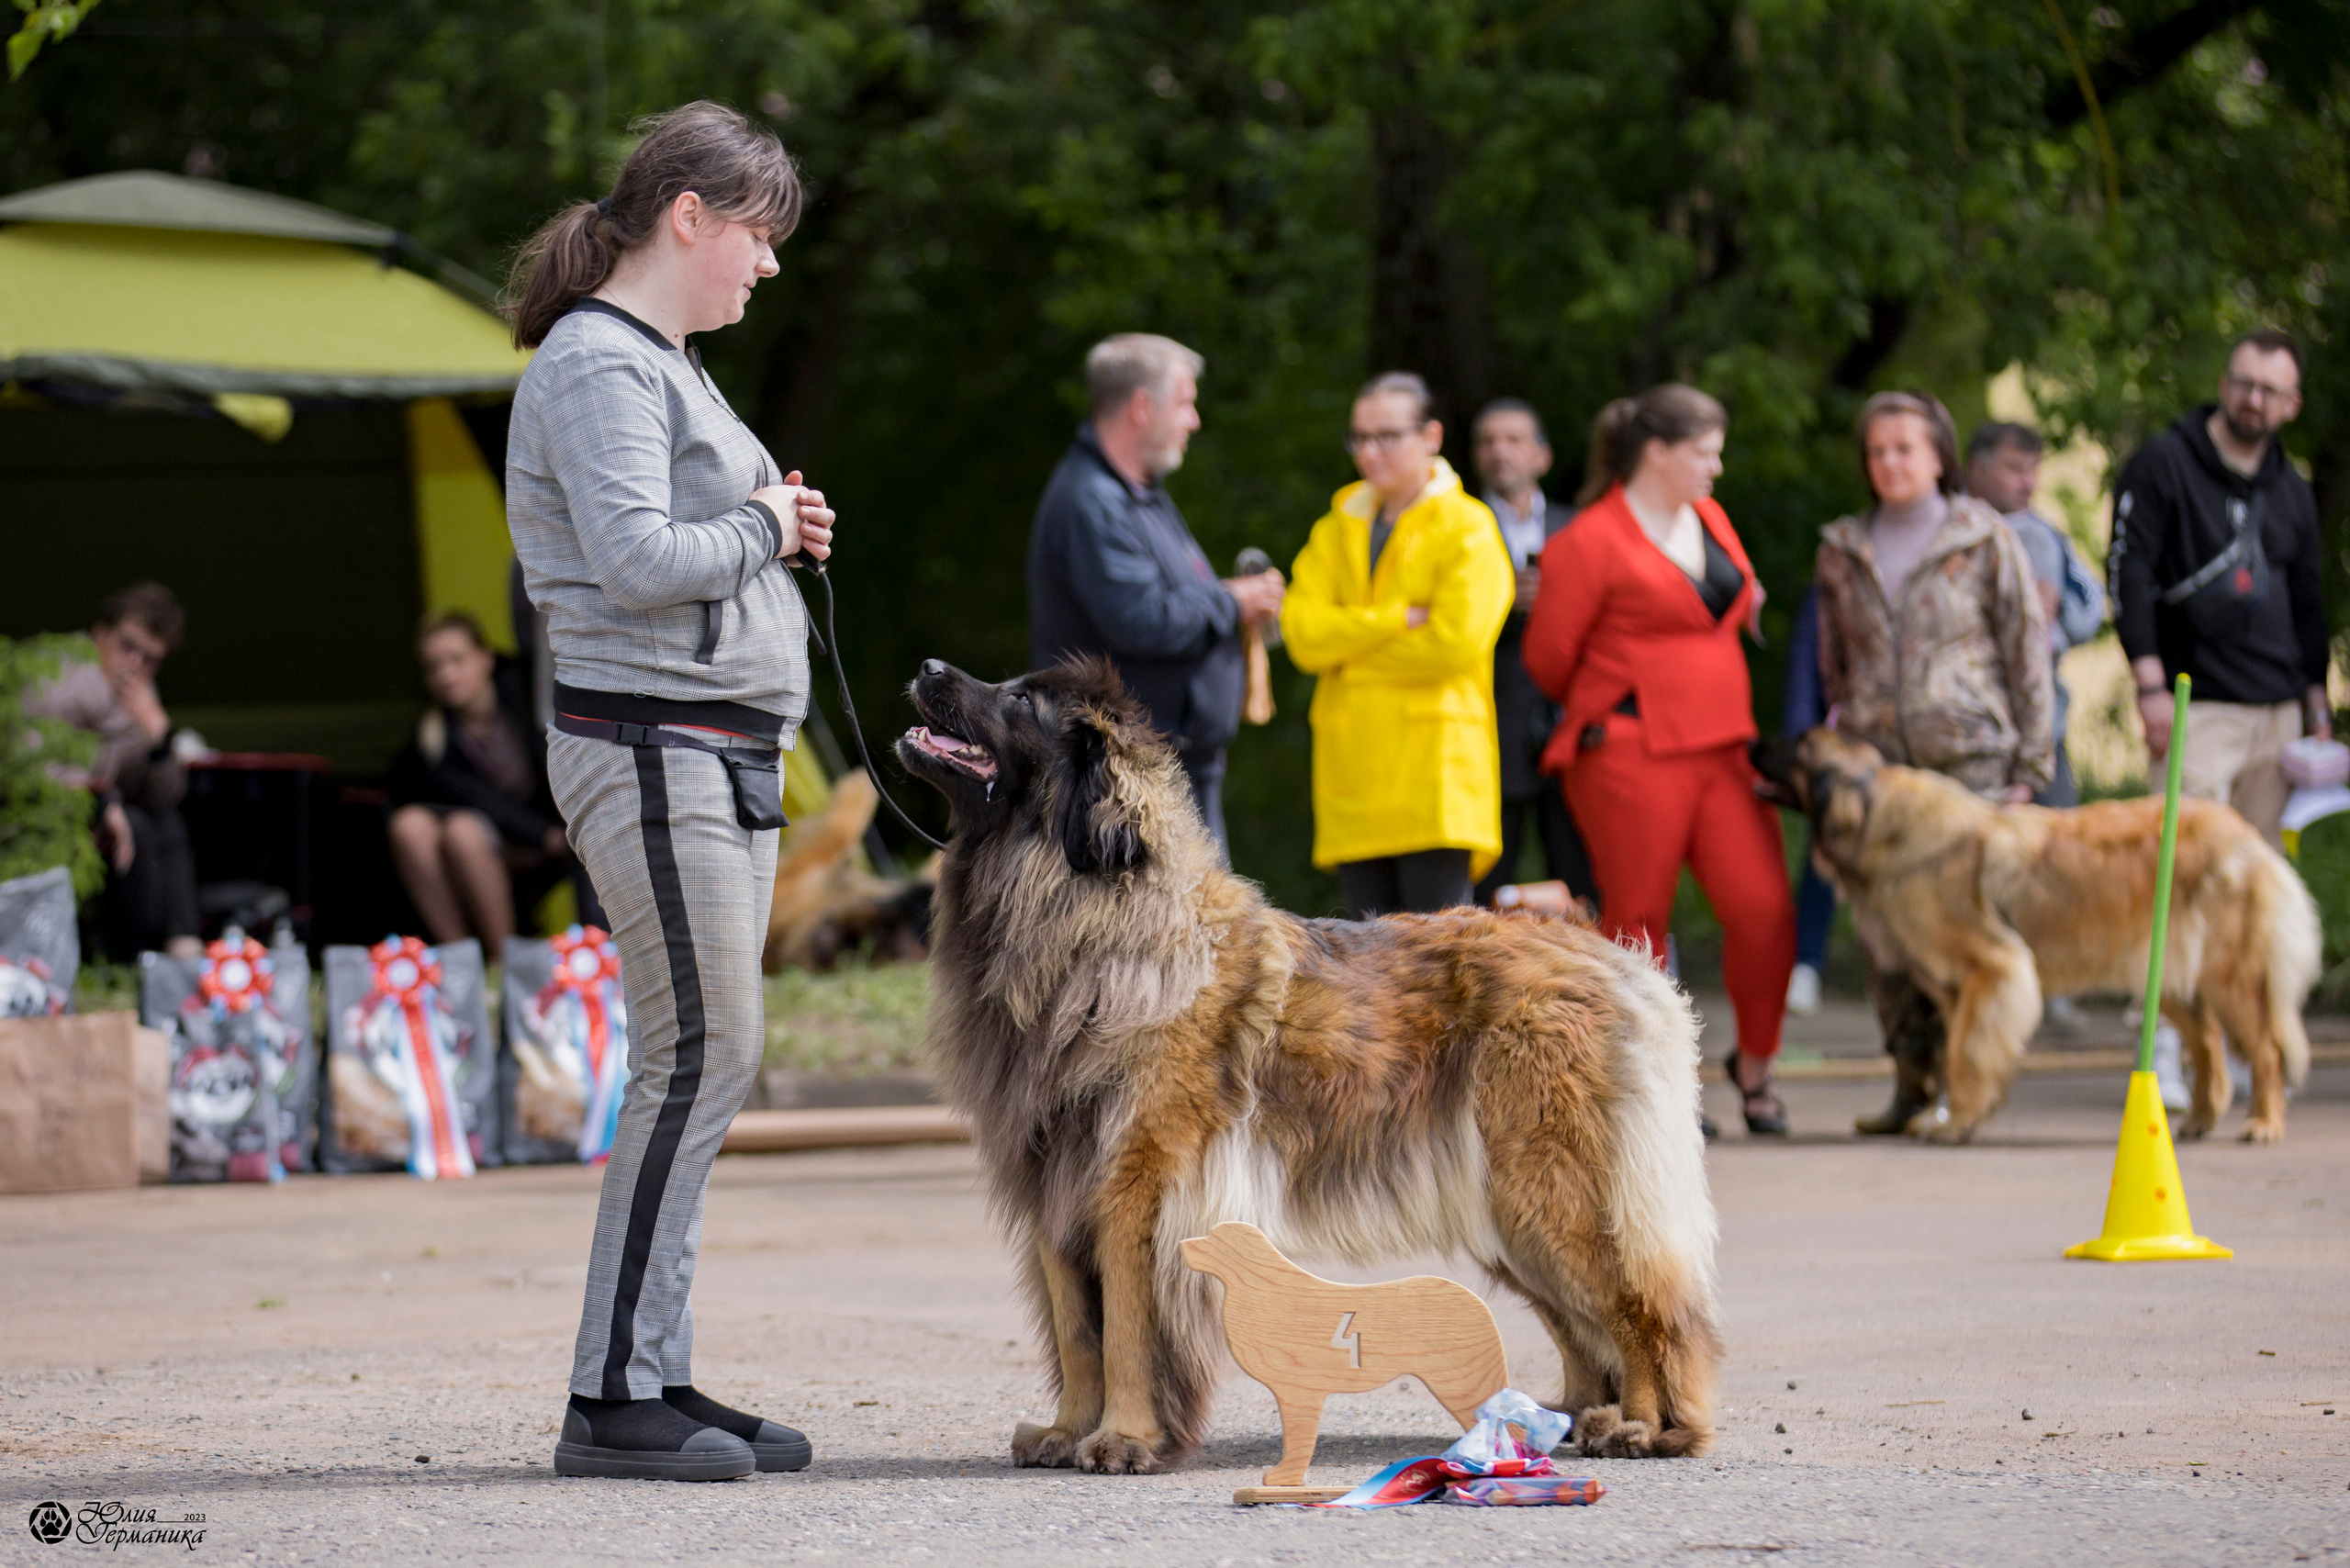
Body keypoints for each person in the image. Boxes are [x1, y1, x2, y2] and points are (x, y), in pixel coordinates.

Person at [504, 101, 833, 1482]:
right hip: (650, 745)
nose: (768, 267)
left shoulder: (667, 364)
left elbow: (692, 539)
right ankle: (610, 1401)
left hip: (711, 751)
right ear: (690, 216)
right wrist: (767, 523)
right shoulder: (597, 364)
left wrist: (776, 526)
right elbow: (639, 558)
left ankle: (659, 1371)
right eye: (758, 237)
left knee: (710, 1058)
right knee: (700, 1052)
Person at [1523, 385, 1796, 1137]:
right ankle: (1649, 1084)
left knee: (1765, 909)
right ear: (1660, 453)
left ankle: (1757, 1065)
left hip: (1724, 746)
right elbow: (1549, 659)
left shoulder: (1708, 516)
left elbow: (1730, 598)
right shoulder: (1586, 541)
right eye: (1704, 450)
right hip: (1633, 749)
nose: (1716, 464)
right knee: (1638, 922)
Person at [1814, 390, 2053, 1136]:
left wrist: (2032, 764)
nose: (1890, 462)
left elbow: (2027, 649)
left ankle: (1963, 1088)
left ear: (1938, 455)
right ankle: (1909, 1084)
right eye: (1877, 451)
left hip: (1970, 765)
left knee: (1960, 940)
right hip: (1877, 778)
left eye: (1905, 448)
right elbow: (1832, 662)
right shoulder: (1841, 545)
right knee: (1889, 942)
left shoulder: (1982, 536)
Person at [1027, 334, 1284, 853]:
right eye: (1185, 403)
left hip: (1167, 773)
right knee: (1172, 935)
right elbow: (1142, 620)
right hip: (1121, 784)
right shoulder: (1091, 500)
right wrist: (1231, 602)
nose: (1194, 420)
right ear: (1142, 407)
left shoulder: (1137, 493)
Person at [1282, 372, 1512, 916]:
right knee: (1368, 980)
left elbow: (1454, 644)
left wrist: (1349, 658)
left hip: (1435, 784)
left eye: (1387, 436)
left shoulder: (1468, 527)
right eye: (1360, 437)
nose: (1369, 451)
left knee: (1438, 972)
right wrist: (1392, 620)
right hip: (1353, 781)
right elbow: (1302, 636)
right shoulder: (1335, 528)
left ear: (1431, 436)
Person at [2110, 330, 2329, 849]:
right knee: (2187, 873)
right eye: (2245, 384)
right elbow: (2129, 571)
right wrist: (2150, 687)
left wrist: (2315, 700)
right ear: (2223, 384)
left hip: (2278, 716)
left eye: (2270, 391)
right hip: (2194, 706)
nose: (2254, 400)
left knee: (2259, 882)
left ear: (2291, 405)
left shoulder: (2293, 489)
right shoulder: (2162, 463)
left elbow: (2306, 596)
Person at [387, 612, 597, 956]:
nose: (446, 675)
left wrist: (552, 833)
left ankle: (504, 958)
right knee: (413, 827)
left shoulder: (529, 695)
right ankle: (460, 958)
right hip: (499, 837)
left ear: (485, 658)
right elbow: (476, 798)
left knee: (463, 832)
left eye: (457, 660)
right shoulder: (433, 737)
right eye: (433, 666)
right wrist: (540, 835)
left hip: (549, 830)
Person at [22, 583, 201, 960]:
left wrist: (160, 740)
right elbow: (30, 762)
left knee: (165, 823)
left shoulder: (140, 701)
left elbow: (166, 796)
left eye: (151, 659)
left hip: (113, 811)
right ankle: (133, 957)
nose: (136, 664)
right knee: (136, 827)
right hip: (49, 810)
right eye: (128, 646)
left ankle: (184, 949)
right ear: (100, 634)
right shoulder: (59, 674)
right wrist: (99, 800)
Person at [1467, 398, 1595, 910]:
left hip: (1571, 724)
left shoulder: (1578, 527)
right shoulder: (1461, 526)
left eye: (1514, 439)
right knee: (1483, 880)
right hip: (1490, 722)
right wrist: (1502, 603)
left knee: (1583, 874)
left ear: (1542, 456)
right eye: (1488, 441)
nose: (1500, 451)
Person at [1965, 422, 2109, 807]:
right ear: (1976, 468)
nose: (2028, 483)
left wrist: (2054, 613)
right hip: (1968, 727)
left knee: (2059, 846)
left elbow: (2089, 613)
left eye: (2033, 470)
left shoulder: (2044, 536)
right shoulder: (1944, 530)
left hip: (2044, 725)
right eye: (2015, 469)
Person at [1780, 586, 1836, 1017]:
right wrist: (1803, 736)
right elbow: (1805, 662)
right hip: (1836, 745)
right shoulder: (1837, 565)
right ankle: (1806, 963)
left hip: (1903, 754)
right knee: (1823, 854)